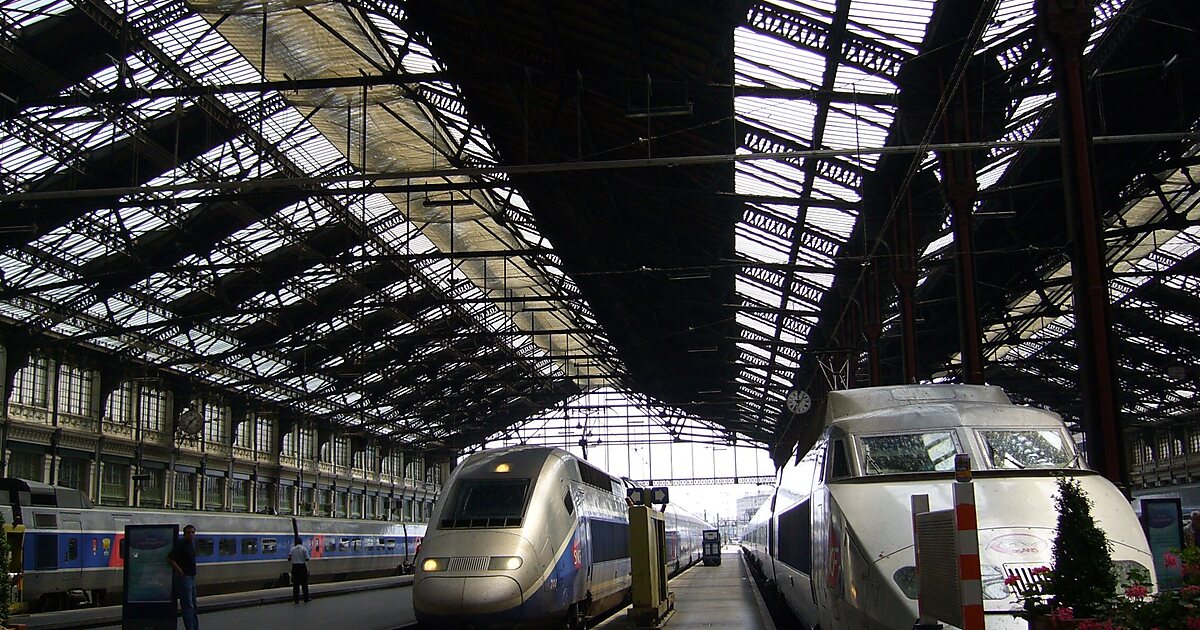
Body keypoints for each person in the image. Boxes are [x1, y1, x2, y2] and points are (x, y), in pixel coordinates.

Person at [166, 524, 199, 630]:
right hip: (184, 578)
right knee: (188, 606)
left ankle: (194, 627)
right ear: (184, 534)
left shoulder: (191, 544)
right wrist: (179, 571)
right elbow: (170, 558)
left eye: (192, 532)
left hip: (191, 577)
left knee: (193, 605)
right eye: (189, 533)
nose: (191, 535)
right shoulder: (181, 545)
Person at [289, 537, 311, 603]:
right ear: (301, 542)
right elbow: (307, 558)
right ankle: (306, 598)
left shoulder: (292, 549)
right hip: (302, 566)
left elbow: (289, 558)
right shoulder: (304, 549)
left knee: (296, 584)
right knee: (304, 583)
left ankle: (296, 599)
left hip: (295, 567)